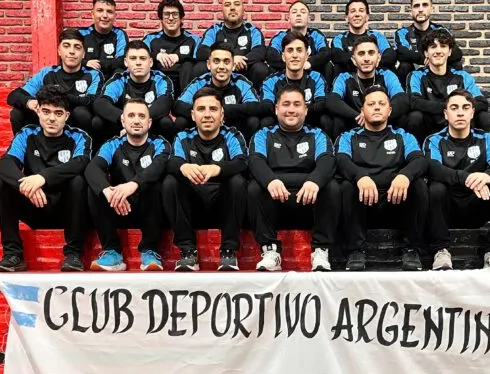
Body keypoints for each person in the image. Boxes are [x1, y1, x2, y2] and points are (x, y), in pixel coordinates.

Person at [0, 85, 91, 273]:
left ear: (66, 116)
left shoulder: (79, 137)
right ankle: (13, 255)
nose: (52, 118)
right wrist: (25, 185)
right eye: (46, 111)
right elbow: (5, 163)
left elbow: (80, 163)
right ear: (38, 112)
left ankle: (74, 254)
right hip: (34, 207)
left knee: (78, 182)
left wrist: (42, 178)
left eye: (58, 113)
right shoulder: (27, 134)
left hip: (66, 209)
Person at [248, 84, 339, 272]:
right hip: (275, 199)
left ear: (305, 110)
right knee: (255, 187)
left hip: (308, 200)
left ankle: (321, 251)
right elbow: (255, 161)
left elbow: (327, 160)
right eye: (286, 104)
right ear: (276, 109)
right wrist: (270, 180)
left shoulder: (317, 134)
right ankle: (270, 251)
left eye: (297, 104)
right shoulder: (264, 134)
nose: (291, 109)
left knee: (331, 186)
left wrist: (314, 181)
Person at [336, 87, 427, 272]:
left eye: (381, 104)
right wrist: (360, 175)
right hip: (363, 204)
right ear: (362, 110)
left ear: (389, 110)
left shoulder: (403, 136)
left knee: (417, 184)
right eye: (371, 104)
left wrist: (405, 175)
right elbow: (341, 161)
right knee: (346, 185)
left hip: (396, 203)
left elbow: (419, 160)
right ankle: (355, 250)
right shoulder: (348, 137)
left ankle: (412, 249)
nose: (377, 107)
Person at [425, 89, 490, 271]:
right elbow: (434, 169)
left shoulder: (485, 139)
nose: (460, 113)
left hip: (477, 205)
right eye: (454, 108)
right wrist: (467, 178)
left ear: (472, 113)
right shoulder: (434, 140)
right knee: (435, 187)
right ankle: (441, 250)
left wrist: (487, 176)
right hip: (448, 208)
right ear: (446, 114)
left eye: (465, 108)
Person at [163, 87, 248, 272]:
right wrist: (183, 167)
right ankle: (188, 252)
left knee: (238, 181)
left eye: (213, 109)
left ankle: (228, 252)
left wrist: (218, 168)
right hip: (193, 207)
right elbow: (172, 162)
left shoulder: (231, 135)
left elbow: (242, 162)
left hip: (223, 206)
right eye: (201, 109)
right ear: (193, 115)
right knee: (170, 182)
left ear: (222, 114)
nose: (207, 115)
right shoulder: (183, 137)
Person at [85, 98, 168, 272]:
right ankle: (112, 252)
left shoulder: (160, 144)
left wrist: (133, 184)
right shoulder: (113, 144)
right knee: (95, 188)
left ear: (149, 122)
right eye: (131, 115)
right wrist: (108, 191)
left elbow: (158, 167)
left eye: (141, 116)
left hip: (150, 210)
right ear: (123, 121)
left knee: (156, 185)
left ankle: (150, 250)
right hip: (119, 207)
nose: (136, 120)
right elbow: (92, 168)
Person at [7, 29, 102, 136]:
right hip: (48, 123)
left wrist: (60, 96)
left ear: (83, 54)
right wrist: (30, 103)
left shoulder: (93, 74)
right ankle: (23, 145)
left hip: (74, 123)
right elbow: (14, 96)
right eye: (66, 46)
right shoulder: (47, 73)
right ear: (59, 51)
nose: (72, 51)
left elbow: (92, 101)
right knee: (17, 113)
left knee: (81, 113)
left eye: (77, 47)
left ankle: (84, 146)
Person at [405, 29, 490, 140]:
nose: (438, 51)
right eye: (433, 47)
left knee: (483, 116)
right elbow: (414, 102)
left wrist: (457, 110)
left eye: (443, 46)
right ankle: (420, 149)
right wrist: (451, 107)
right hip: (430, 126)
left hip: (458, 124)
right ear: (426, 53)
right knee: (415, 117)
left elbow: (482, 102)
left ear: (449, 52)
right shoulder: (416, 76)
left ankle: (478, 147)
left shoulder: (462, 76)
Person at [175, 43, 264, 140]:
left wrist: (224, 112)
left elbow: (255, 106)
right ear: (209, 64)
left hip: (234, 129)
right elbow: (179, 105)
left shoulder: (241, 83)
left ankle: (244, 148)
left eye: (226, 62)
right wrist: (208, 114)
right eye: (216, 61)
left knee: (253, 121)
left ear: (233, 65)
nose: (221, 66)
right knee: (181, 121)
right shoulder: (200, 82)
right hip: (204, 128)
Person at [326, 34, 407, 137]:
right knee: (337, 120)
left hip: (383, 126)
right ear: (354, 60)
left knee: (405, 117)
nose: (366, 58)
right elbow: (332, 101)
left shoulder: (387, 75)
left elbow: (402, 99)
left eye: (371, 53)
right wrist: (360, 116)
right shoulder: (344, 78)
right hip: (355, 126)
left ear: (378, 58)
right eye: (361, 54)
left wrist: (376, 115)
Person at [94, 41, 175, 139]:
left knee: (165, 122)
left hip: (151, 126)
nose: (138, 63)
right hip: (122, 126)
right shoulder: (120, 80)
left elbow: (165, 102)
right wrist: (127, 121)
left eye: (143, 58)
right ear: (126, 62)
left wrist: (139, 121)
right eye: (133, 58)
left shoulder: (160, 79)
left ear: (150, 62)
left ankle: (162, 147)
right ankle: (109, 147)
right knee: (97, 121)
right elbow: (101, 102)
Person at [260, 33, 331, 136]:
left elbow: (321, 105)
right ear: (283, 57)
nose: (294, 55)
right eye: (290, 50)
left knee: (325, 119)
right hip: (281, 128)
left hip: (309, 126)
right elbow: (267, 107)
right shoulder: (271, 81)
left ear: (306, 56)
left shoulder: (316, 78)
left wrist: (294, 110)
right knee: (266, 121)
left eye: (299, 50)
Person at [194, 0, 269, 87]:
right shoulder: (214, 30)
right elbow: (202, 51)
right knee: (200, 67)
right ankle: (206, 95)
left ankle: (253, 95)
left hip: (245, 72)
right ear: (222, 11)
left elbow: (259, 52)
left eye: (237, 4)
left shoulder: (253, 31)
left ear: (243, 10)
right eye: (227, 5)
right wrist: (230, 60)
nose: (232, 8)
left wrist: (238, 62)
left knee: (260, 68)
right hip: (219, 72)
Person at [394, 0, 463, 84]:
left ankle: (454, 92)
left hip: (438, 74)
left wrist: (433, 60)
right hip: (415, 77)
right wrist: (424, 59)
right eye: (416, 6)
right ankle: (405, 94)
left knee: (457, 64)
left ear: (431, 9)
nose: (420, 9)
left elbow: (457, 53)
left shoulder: (441, 30)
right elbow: (402, 53)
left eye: (425, 5)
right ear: (411, 11)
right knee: (404, 66)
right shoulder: (403, 33)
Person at [329, 0, 396, 78]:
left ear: (367, 17)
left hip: (376, 77)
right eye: (353, 11)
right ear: (346, 18)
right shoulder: (339, 38)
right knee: (337, 67)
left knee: (391, 67)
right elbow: (337, 55)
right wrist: (361, 65)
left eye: (361, 11)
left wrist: (370, 66)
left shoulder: (377, 36)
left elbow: (390, 54)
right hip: (350, 79)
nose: (357, 14)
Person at [143, 0, 200, 92]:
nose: (170, 18)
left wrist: (179, 57)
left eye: (175, 14)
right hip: (157, 87)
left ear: (181, 18)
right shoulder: (150, 39)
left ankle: (186, 98)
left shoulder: (193, 40)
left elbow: (202, 59)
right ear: (161, 18)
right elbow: (139, 56)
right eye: (166, 14)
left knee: (188, 65)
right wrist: (157, 56)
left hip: (185, 86)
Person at [266, 0, 330, 74]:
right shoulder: (281, 36)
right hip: (286, 74)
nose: (298, 14)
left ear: (309, 18)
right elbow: (270, 54)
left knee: (328, 66)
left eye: (303, 12)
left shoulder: (316, 35)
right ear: (288, 18)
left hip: (311, 73)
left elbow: (325, 53)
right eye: (294, 12)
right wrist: (294, 64)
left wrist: (310, 62)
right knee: (272, 68)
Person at [78, 0, 128, 80]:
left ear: (115, 16)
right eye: (100, 10)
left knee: (120, 71)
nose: (105, 15)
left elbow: (122, 61)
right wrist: (85, 62)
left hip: (111, 82)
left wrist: (99, 64)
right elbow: (71, 58)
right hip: (86, 80)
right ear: (92, 14)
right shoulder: (82, 33)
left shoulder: (119, 34)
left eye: (109, 11)